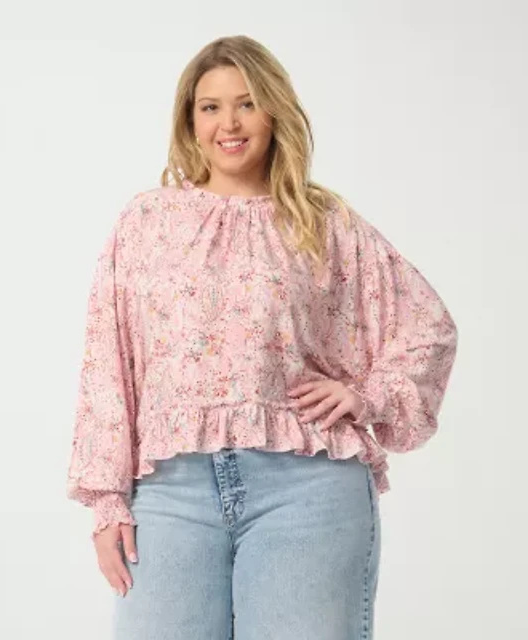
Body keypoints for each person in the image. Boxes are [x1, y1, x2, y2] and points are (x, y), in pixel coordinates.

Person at [66, 35, 458, 639]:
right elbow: (107, 358)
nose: (229, 123)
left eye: (247, 104)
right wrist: (106, 500)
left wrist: (368, 396)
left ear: (274, 113)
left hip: (307, 489)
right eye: (211, 107)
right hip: (171, 494)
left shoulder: (321, 222)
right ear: (191, 121)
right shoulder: (147, 222)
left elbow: (428, 325)